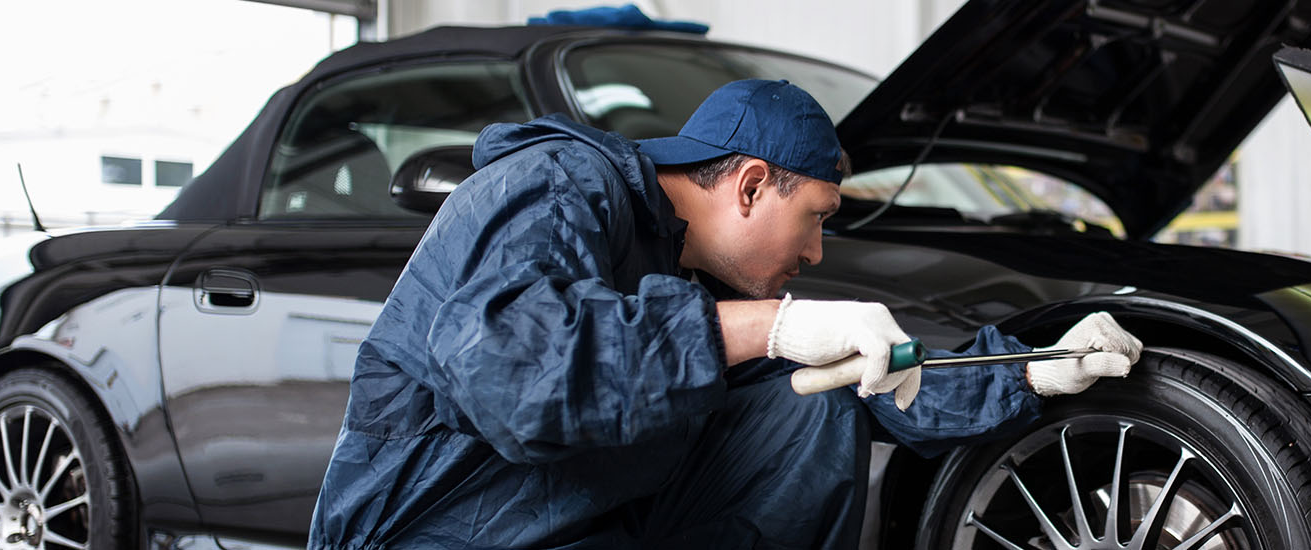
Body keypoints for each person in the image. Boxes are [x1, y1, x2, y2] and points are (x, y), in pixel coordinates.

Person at [307, 79, 1142, 549]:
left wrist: (1031, 369)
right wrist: (770, 326)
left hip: (577, 526)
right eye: (816, 216)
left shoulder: (699, 273)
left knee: (815, 400)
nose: (816, 252)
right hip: (431, 533)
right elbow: (517, 373)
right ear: (748, 185)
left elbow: (887, 385)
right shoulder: (559, 186)